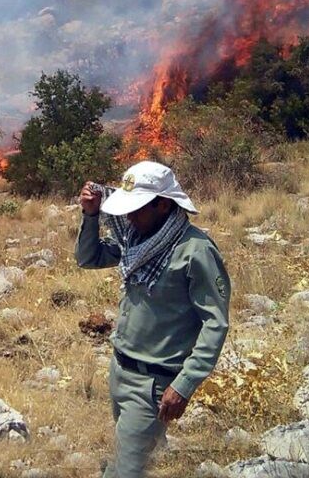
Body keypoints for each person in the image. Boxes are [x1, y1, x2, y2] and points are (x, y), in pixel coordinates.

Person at [76, 161, 230, 478]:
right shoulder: (137, 240)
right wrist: (91, 216)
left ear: (163, 204)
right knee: (134, 462)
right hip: (120, 371)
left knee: (125, 471)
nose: (129, 217)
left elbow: (215, 324)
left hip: (153, 385)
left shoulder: (195, 250)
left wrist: (184, 385)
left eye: (137, 209)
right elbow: (88, 258)